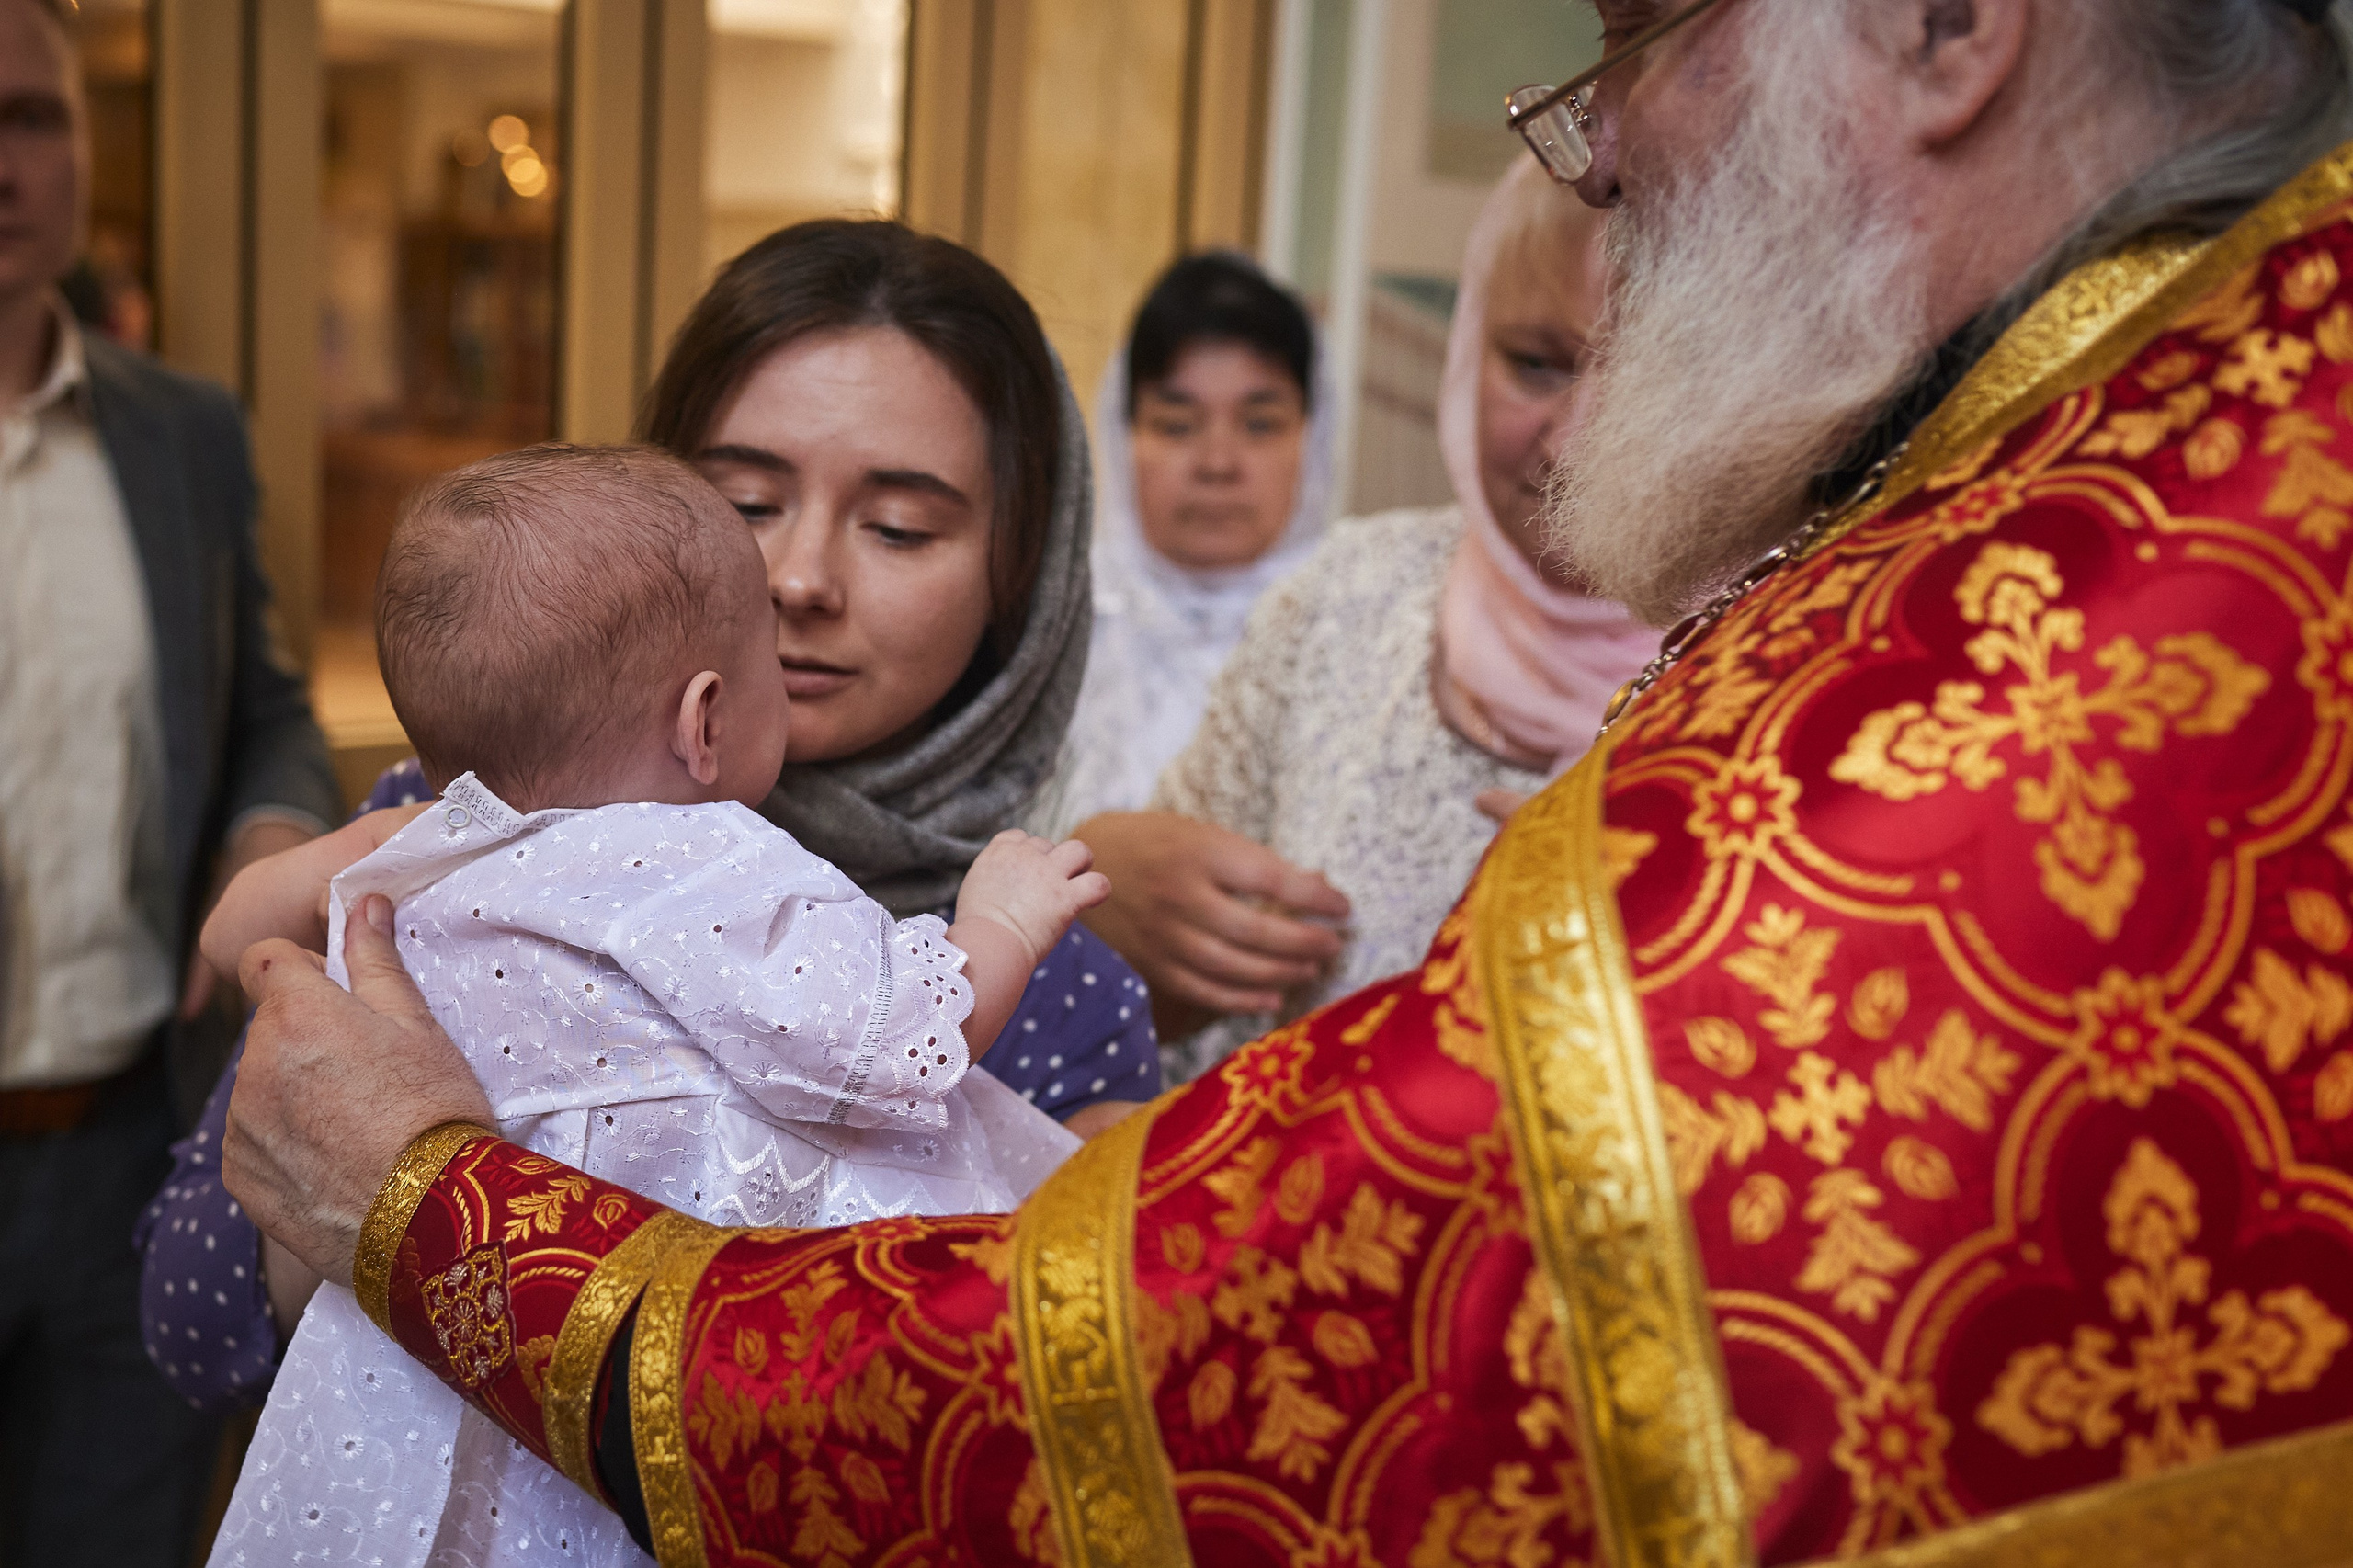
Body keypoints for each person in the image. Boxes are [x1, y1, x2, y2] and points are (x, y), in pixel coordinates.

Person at [218, 1, 2353, 1564]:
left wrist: (438, 1200)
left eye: (1631, 37)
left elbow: (1157, 1366)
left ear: (1946, 25)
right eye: (740, 495)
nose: (1596, 148)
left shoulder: (2038, 641)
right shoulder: (2122, 496)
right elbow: (200, 1288)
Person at [137, 221, 1158, 1416]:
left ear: (1019, 581)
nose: (798, 579)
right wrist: (382, 1171)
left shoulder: (1047, 983)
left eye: (898, 526)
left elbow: (997, 1436)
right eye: (742, 502)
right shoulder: (455, 842)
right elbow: (187, 1316)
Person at [202, 445, 1101, 1566]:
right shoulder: (710, 858)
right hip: (668, 1383)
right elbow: (886, 1044)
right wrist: (1000, 924)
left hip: (442, 1354)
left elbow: (237, 934)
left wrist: (372, 849)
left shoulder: (426, 849)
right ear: (704, 720)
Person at [0, 4, 337, 1565]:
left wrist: (274, 829)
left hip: (134, 1144)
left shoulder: (183, 436)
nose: (4, 163)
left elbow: (264, 707)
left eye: (31, 117)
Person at [1080, 162, 1657, 1076]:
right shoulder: (1344, 595)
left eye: (1645, 370)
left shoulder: (1769, 651)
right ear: (1470, 352)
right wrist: (1099, 896)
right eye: (1534, 364)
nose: (1574, 438)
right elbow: (1153, 991)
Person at [1035, 252, 1332, 838]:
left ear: (1312, 439)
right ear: (1123, 438)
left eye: (1260, 424)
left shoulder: (1360, 632)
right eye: (1177, 425)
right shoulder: (1050, 631)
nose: (1218, 464)